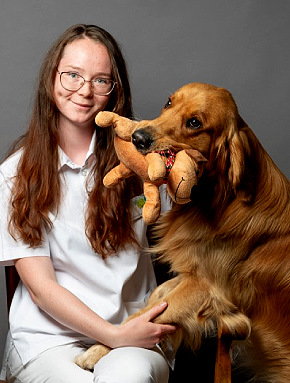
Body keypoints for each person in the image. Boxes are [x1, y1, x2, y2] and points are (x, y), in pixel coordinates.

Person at [0, 24, 176, 383]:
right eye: (72, 76)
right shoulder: (13, 175)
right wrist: (110, 335)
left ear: (114, 90)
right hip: (47, 340)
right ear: (52, 78)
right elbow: (40, 288)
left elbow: (194, 230)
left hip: (132, 333)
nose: (84, 90)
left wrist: (170, 166)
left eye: (100, 80)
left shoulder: (142, 162)